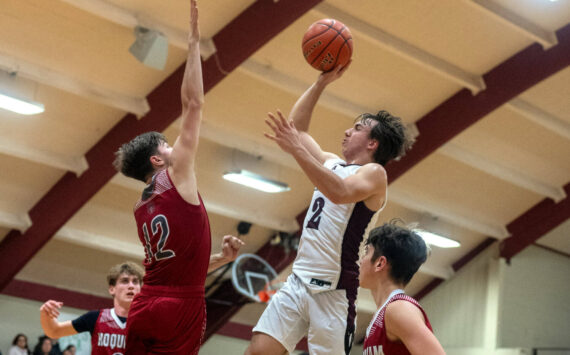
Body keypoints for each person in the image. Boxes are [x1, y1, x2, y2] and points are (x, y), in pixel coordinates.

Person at [246, 64, 413, 355]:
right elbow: (296, 129)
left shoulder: (375, 174)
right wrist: (321, 82)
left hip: (334, 291)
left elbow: (339, 192)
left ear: (372, 143)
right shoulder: (332, 163)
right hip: (298, 281)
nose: (348, 131)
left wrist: (296, 150)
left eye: (358, 129)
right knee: (257, 351)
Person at [112, 1, 244, 353]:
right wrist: (193, 43)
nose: (176, 147)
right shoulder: (176, 175)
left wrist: (221, 260)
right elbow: (194, 104)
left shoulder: (140, 206)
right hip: (180, 307)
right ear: (157, 159)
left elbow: (177, 270)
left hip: (146, 305)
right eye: (168, 145)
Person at [360, 222, 445, 355]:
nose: (361, 260)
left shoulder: (398, 309)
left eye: (366, 252)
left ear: (380, 263)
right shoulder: (384, 313)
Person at [40, 262, 144, 355]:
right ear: (112, 289)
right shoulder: (95, 318)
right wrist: (45, 314)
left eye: (135, 282)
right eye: (125, 281)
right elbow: (54, 331)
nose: (131, 286)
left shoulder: (149, 323)